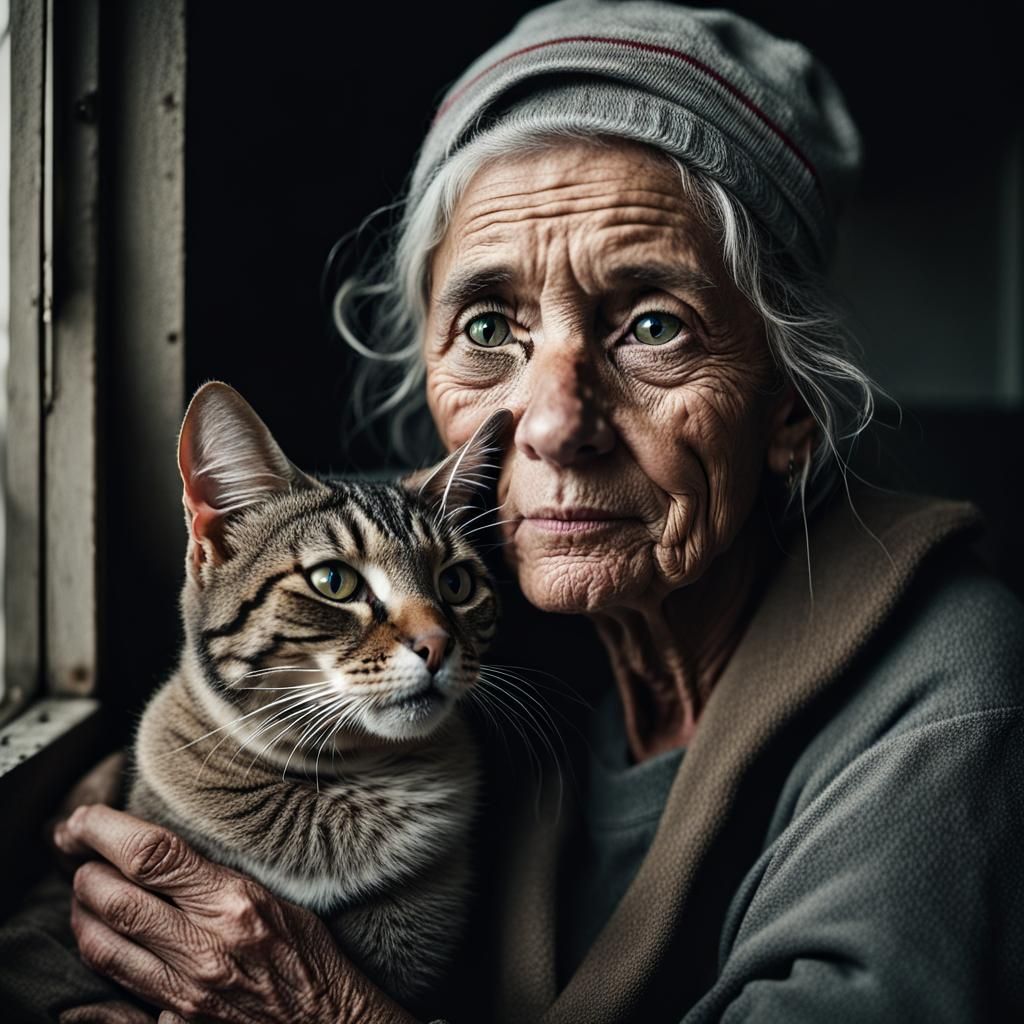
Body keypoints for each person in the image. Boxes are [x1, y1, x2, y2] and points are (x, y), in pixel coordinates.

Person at [19, 1, 1024, 1021]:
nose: (551, 420)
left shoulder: (952, 690)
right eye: (491, 324)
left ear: (787, 406)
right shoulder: (507, 650)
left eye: (651, 324)